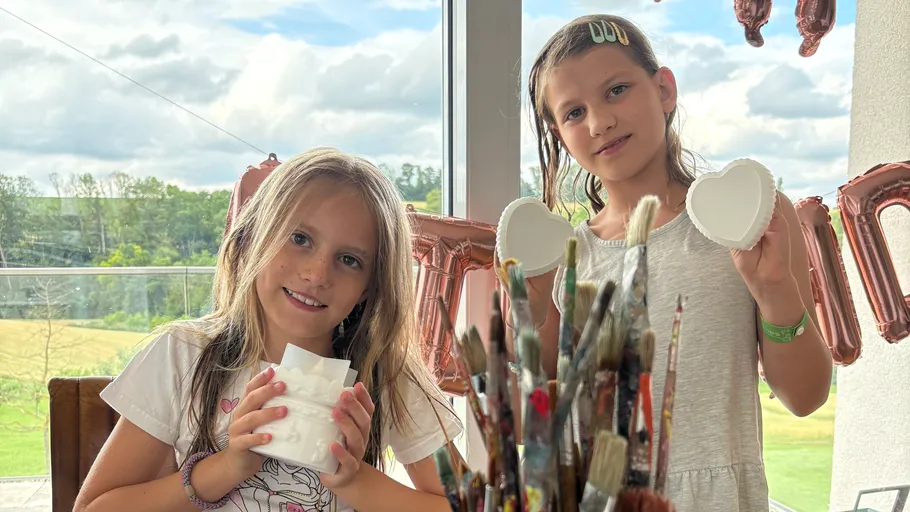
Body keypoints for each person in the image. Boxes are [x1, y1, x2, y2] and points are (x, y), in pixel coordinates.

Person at [513, 14, 833, 511]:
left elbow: (806, 395)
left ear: (664, 89)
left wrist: (776, 294)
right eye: (574, 113)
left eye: (616, 90)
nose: (600, 122)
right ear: (558, 133)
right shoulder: (565, 261)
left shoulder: (748, 223)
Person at [74, 148, 465, 512]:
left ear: (370, 288)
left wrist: (354, 479)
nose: (316, 273)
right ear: (253, 237)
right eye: (300, 239)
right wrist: (226, 467)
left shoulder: (387, 374)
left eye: (349, 259)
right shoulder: (183, 355)